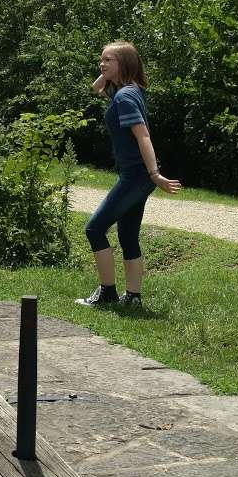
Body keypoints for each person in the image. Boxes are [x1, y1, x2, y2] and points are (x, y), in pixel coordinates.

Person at [77, 41, 180, 309]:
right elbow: (96, 87)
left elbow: (142, 135)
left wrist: (154, 174)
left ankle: (107, 293)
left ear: (124, 64)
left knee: (94, 228)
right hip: (137, 176)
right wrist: (110, 70)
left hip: (136, 175)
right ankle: (133, 299)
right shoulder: (127, 91)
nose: (102, 64)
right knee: (128, 235)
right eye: (101, 60)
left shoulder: (123, 97)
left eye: (108, 60)